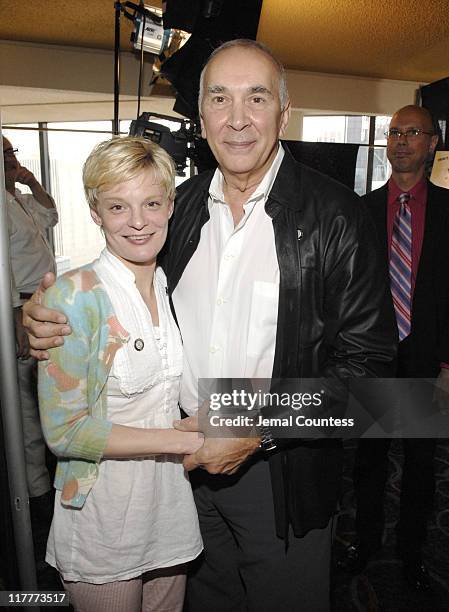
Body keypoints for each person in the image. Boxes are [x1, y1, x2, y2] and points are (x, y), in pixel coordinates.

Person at [24, 40, 396, 611]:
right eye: (220, 99)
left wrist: (250, 428)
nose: (238, 119)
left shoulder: (338, 216)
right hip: (174, 471)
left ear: (284, 111)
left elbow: (371, 378)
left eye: (257, 97)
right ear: (201, 117)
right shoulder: (181, 206)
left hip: (280, 474)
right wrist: (49, 316)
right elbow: (120, 290)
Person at [37, 136, 203, 612]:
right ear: (95, 212)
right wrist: (188, 442)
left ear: (170, 204)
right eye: (117, 206)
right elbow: (65, 432)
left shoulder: (175, 284)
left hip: (168, 508)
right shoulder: (74, 296)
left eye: (151, 202)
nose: (137, 221)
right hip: (103, 519)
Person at [340, 106, 449, 590]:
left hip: (429, 359)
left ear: (432, 143)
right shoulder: (360, 210)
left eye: (413, 132)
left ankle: (410, 554)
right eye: (394, 132)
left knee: (422, 464)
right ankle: (364, 543)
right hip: (374, 359)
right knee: (369, 459)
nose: (401, 140)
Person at [3, 135, 57, 521]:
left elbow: (51, 215)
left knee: (46, 399)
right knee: (26, 414)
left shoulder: (17, 198)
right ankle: (34, 499)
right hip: (20, 308)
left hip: (41, 303)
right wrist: (15, 321)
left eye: (10, 153)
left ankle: (46, 484)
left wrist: (31, 182)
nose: (10, 159)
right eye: (3, 155)